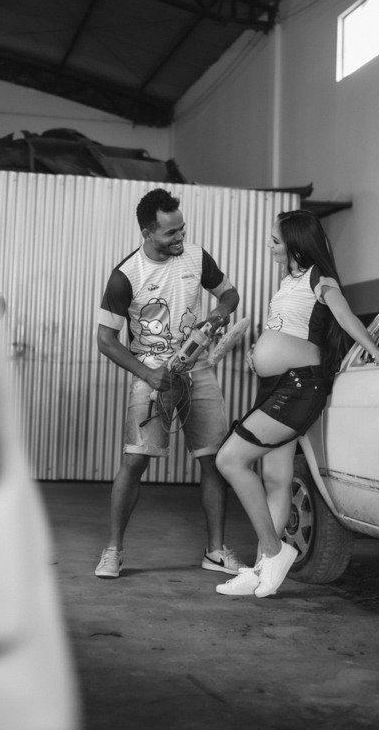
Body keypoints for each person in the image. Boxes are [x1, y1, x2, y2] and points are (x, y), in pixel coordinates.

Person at [213, 210, 379, 597]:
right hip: (275, 386)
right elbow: (286, 330)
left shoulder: (320, 279)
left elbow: (345, 316)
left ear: (296, 244)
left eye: (275, 240)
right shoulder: (288, 281)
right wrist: (260, 351)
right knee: (276, 479)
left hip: (299, 388)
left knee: (230, 459)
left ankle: (274, 549)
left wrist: (375, 351)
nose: (270, 246)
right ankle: (263, 570)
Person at [94, 188, 244, 579]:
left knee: (213, 458)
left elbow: (230, 294)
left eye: (182, 229)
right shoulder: (125, 276)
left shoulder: (196, 257)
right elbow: (105, 340)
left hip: (198, 368)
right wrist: (146, 374)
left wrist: (219, 313)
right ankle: (113, 551)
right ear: (147, 233)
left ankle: (215, 552)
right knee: (134, 460)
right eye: (170, 233)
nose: (180, 237)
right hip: (152, 373)